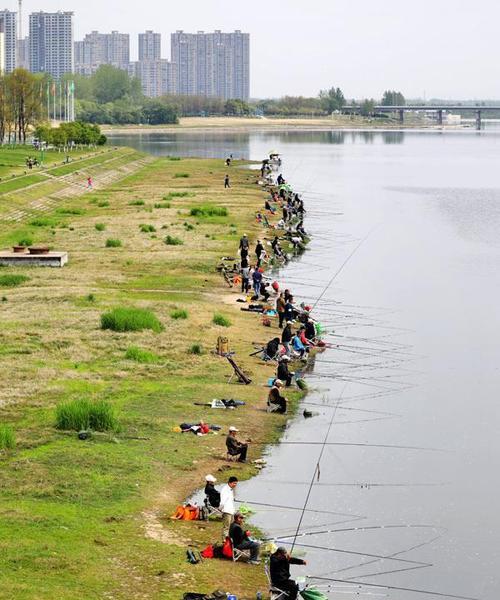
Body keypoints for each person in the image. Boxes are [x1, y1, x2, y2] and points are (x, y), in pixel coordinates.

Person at [220, 476, 238, 540]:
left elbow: (234, 497)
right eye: (234, 483)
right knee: (226, 527)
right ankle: (224, 540)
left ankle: (229, 539)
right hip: (226, 511)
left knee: (231, 526)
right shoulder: (225, 489)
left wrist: (234, 489)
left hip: (231, 511)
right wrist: (220, 508)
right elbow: (222, 501)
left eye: (236, 483)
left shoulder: (231, 489)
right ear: (230, 483)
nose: (235, 485)